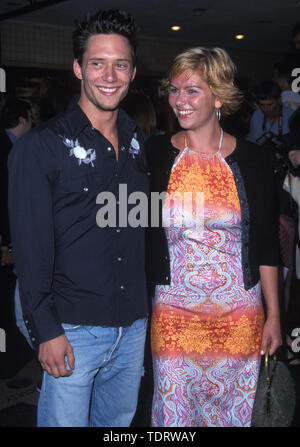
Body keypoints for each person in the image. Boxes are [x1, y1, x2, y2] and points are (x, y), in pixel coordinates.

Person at [8, 9, 149, 427]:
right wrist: (46, 330)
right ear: (77, 68)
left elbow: (138, 225)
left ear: (133, 72)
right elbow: (30, 250)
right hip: (72, 328)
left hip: (133, 325)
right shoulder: (40, 148)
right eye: (97, 63)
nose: (110, 74)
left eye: (120, 64)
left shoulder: (138, 141)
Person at [145, 47, 282, 427]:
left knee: (230, 417)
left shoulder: (254, 160)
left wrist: (274, 315)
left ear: (219, 96)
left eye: (192, 91)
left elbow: (267, 242)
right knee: (173, 418)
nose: (178, 101)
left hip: (239, 315)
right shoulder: (155, 154)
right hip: (173, 315)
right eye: (174, 90)